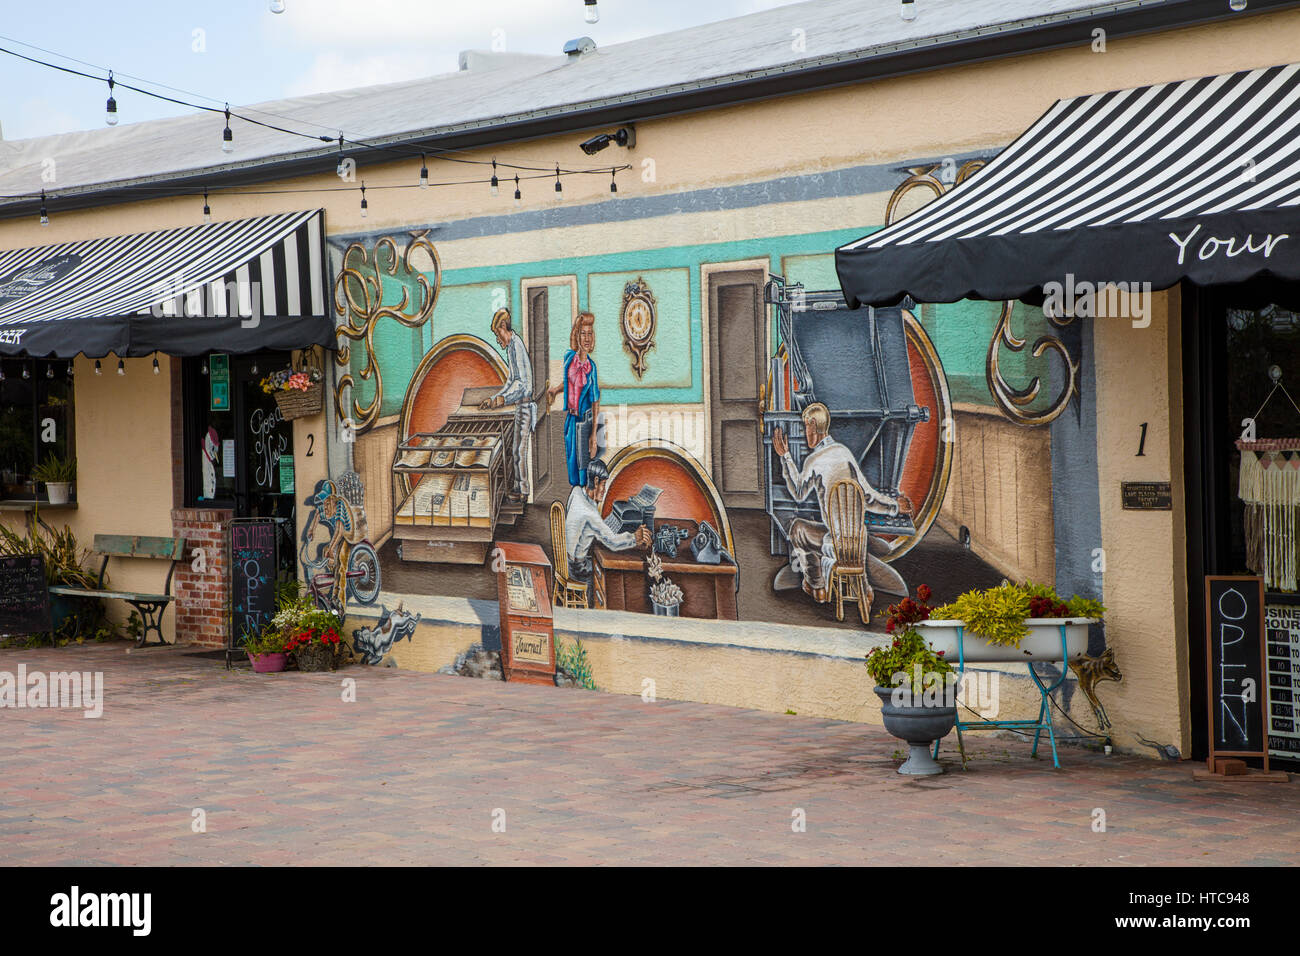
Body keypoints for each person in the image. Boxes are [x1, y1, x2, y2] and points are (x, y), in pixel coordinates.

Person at [771, 402, 904, 606]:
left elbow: (798, 493)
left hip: (834, 544)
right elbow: (868, 498)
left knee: (798, 529)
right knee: (835, 532)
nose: (805, 432)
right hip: (855, 544)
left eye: (806, 426)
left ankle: (817, 586)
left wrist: (785, 457)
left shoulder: (814, 460)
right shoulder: (844, 453)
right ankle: (864, 589)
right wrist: (894, 506)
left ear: (813, 425)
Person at [564, 457, 651, 603]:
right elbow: (613, 542)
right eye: (604, 485)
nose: (604, 491)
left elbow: (590, 526)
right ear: (596, 481)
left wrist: (601, 528)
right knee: (607, 578)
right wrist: (635, 538)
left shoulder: (576, 492)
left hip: (567, 560)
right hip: (577, 569)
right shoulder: (590, 513)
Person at [479, 307, 535, 502]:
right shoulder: (511, 348)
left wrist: (502, 400)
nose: (497, 339)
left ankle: (522, 493)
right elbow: (511, 381)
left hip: (525, 406)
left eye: (497, 333)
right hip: (520, 406)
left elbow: (522, 385)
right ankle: (519, 489)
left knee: (519, 450)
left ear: (504, 326)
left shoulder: (517, 344)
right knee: (516, 450)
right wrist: (495, 398)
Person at [546, 311, 600, 487]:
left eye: (589, 334)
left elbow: (595, 401)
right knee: (571, 467)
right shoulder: (569, 359)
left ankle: (582, 503)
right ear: (577, 336)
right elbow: (569, 383)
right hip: (570, 420)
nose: (586, 338)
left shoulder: (592, 368)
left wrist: (593, 435)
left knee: (583, 468)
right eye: (582, 333)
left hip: (584, 423)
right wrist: (555, 390)